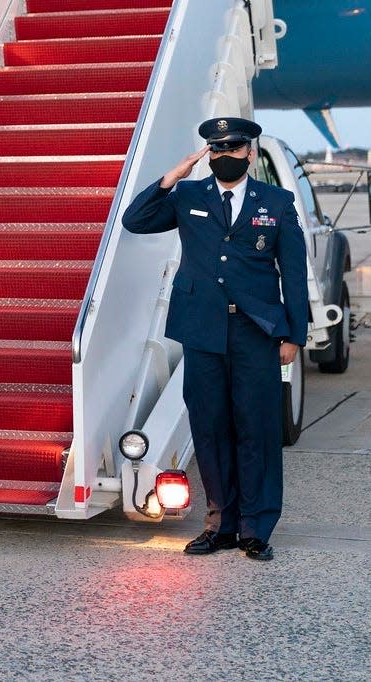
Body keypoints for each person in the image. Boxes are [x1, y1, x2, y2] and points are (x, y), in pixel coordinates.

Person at [122, 117, 308, 562]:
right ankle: (220, 525)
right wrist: (172, 178)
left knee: (257, 430)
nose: (224, 155)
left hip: (256, 332)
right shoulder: (188, 196)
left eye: (232, 148)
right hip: (202, 330)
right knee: (210, 429)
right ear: (209, 153)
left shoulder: (276, 202)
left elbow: (295, 275)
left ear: (249, 151)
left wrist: (294, 333)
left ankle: (256, 528)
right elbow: (135, 220)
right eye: (216, 149)